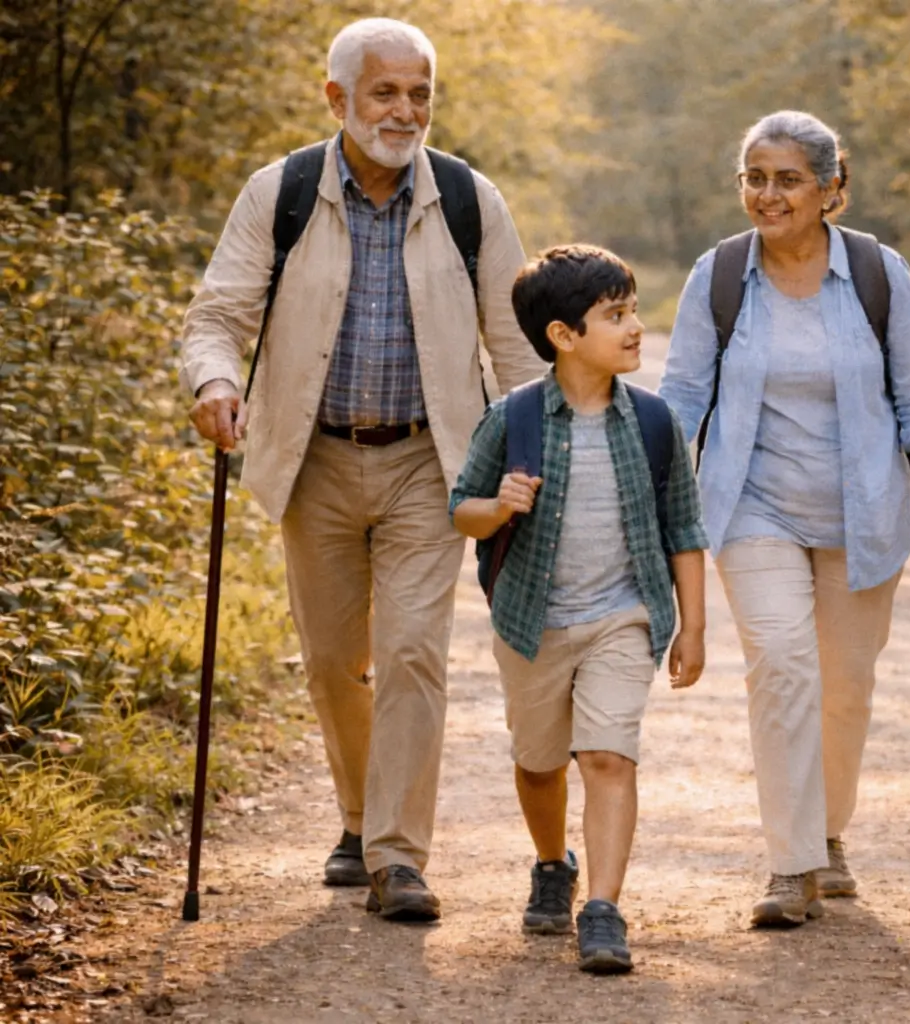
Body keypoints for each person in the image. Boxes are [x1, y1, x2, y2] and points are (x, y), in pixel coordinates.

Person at [180, 17, 544, 922]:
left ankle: (396, 856)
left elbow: (518, 343)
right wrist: (216, 382)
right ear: (337, 98)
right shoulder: (285, 192)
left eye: (419, 92)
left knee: (414, 652)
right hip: (316, 461)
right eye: (385, 92)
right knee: (337, 661)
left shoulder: (466, 199)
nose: (405, 110)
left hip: (433, 461)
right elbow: (217, 313)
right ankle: (355, 816)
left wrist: (542, 455)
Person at [659, 110, 910, 928]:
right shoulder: (718, 275)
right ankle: (790, 866)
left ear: (832, 188)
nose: (768, 194)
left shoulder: (877, 274)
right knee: (783, 666)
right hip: (752, 507)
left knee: (846, 688)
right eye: (755, 177)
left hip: (866, 515)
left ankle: (826, 833)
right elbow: (680, 400)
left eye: (788, 178)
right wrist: (655, 508)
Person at [450, 244, 708, 973]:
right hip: (532, 622)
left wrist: (693, 626)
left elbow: (685, 530)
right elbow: (458, 510)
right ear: (562, 336)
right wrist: (496, 506)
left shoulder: (656, 423)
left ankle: (603, 908)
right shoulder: (514, 419)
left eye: (632, 311)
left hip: (623, 617)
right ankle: (550, 863)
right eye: (615, 316)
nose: (634, 328)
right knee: (538, 765)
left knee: (605, 755)